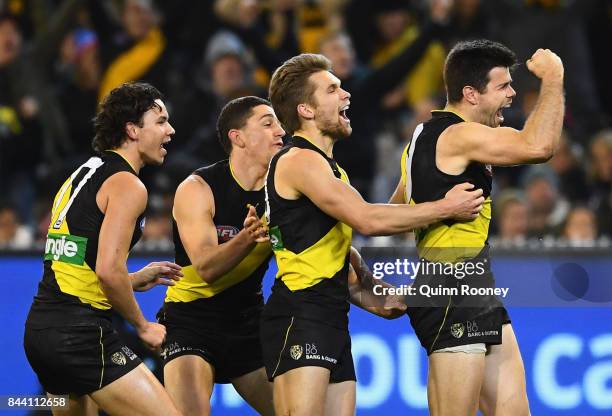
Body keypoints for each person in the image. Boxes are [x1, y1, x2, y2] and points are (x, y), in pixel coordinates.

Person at [262, 53, 486, 416]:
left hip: (330, 319)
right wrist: (446, 207)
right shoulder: (298, 161)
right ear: (305, 109)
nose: (345, 94)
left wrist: (381, 293)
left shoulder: (332, 170)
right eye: (332, 89)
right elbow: (367, 219)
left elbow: (339, 259)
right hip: (300, 317)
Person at [393, 40, 564, 415]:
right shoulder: (459, 135)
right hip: (452, 287)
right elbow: (538, 147)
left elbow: (394, 212)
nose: (512, 94)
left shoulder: (421, 139)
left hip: (471, 284)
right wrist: (553, 78)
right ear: (470, 94)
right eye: (503, 86)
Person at [24, 82, 183, 416]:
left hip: (42, 331)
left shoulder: (83, 173)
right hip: (79, 334)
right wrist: (143, 326)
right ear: (132, 130)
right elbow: (108, 271)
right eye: (160, 121)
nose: (170, 130)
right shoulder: (128, 185)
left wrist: (135, 278)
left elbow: (76, 262)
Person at [158, 96, 282, 416]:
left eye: (279, 124)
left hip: (248, 322)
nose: (280, 131)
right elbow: (206, 266)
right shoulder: (199, 187)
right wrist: (247, 238)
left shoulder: (285, 192)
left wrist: (373, 291)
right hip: (191, 319)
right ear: (237, 137)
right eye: (268, 124)